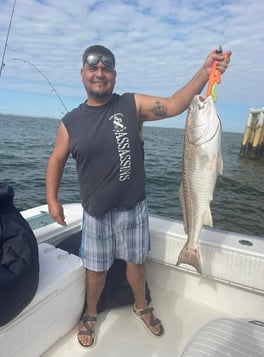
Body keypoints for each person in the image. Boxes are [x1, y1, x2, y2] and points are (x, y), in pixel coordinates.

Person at [46, 44, 231, 348]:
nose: (99, 73)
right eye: (93, 67)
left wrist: (205, 71)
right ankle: (91, 312)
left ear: (114, 76)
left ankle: (141, 305)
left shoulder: (132, 105)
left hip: (133, 208)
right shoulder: (70, 123)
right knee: (96, 270)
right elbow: (56, 159)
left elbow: (173, 104)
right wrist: (52, 199)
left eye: (106, 67)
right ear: (82, 73)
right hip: (95, 212)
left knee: (136, 264)